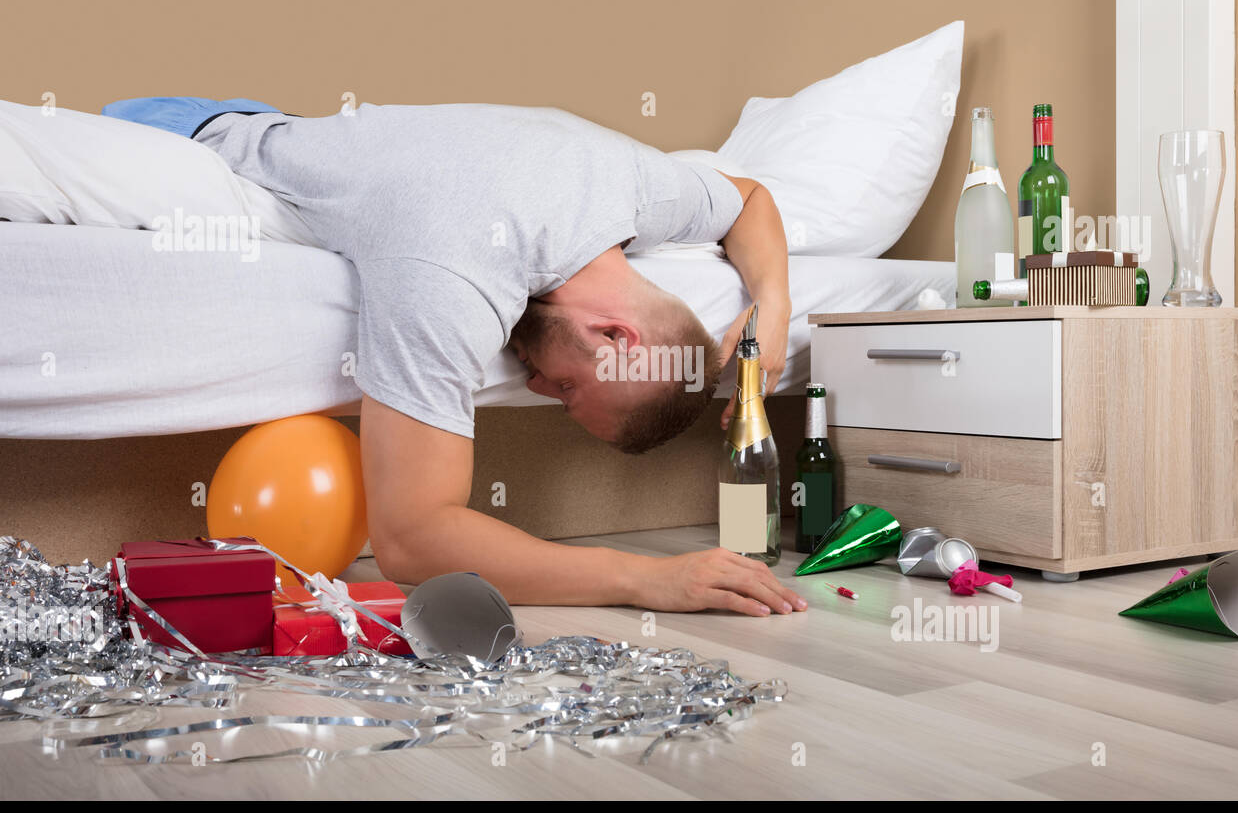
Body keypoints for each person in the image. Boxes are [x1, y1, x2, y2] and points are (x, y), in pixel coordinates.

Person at [105, 97, 807, 618]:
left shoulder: (627, 183)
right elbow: (411, 538)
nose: (534, 383)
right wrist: (642, 579)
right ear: (616, 337)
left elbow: (747, 200)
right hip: (176, 136)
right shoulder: (450, 271)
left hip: (272, 122)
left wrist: (771, 305)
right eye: (565, 388)